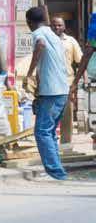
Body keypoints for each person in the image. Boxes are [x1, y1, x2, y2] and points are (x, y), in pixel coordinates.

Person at [24, 7, 70, 180]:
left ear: (29, 22)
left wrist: (29, 73)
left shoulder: (38, 34)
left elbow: (40, 45)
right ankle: (57, 170)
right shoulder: (54, 35)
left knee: (42, 132)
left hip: (52, 91)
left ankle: (56, 172)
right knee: (49, 132)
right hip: (60, 89)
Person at [51, 17, 82, 147]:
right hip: (50, 81)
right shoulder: (47, 40)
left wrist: (80, 81)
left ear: (64, 27)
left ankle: (66, 143)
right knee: (51, 113)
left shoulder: (70, 41)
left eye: (59, 25)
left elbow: (80, 61)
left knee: (67, 114)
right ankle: (51, 142)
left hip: (67, 82)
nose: (57, 28)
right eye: (54, 26)